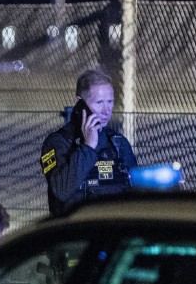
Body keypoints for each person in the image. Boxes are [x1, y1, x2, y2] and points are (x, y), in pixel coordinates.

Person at [39, 68, 137, 216]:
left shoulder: (117, 143)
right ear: (80, 103)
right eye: (99, 102)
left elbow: (136, 191)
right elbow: (61, 191)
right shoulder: (57, 142)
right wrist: (88, 147)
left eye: (110, 102)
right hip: (76, 232)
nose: (106, 110)